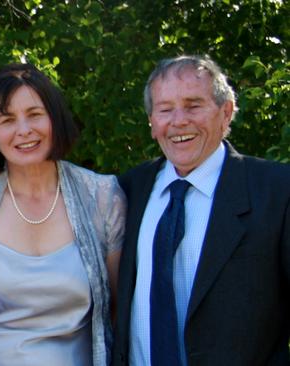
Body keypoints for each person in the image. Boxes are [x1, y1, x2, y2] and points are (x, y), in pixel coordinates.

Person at [0, 63, 126, 366]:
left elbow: (118, 310)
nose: (23, 130)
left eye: (35, 114)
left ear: (55, 119)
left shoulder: (102, 197)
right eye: (7, 119)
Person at [111, 55, 290, 366]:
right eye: (165, 109)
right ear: (152, 123)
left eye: (194, 106)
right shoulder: (126, 190)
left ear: (226, 113)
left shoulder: (277, 191)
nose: (179, 120)